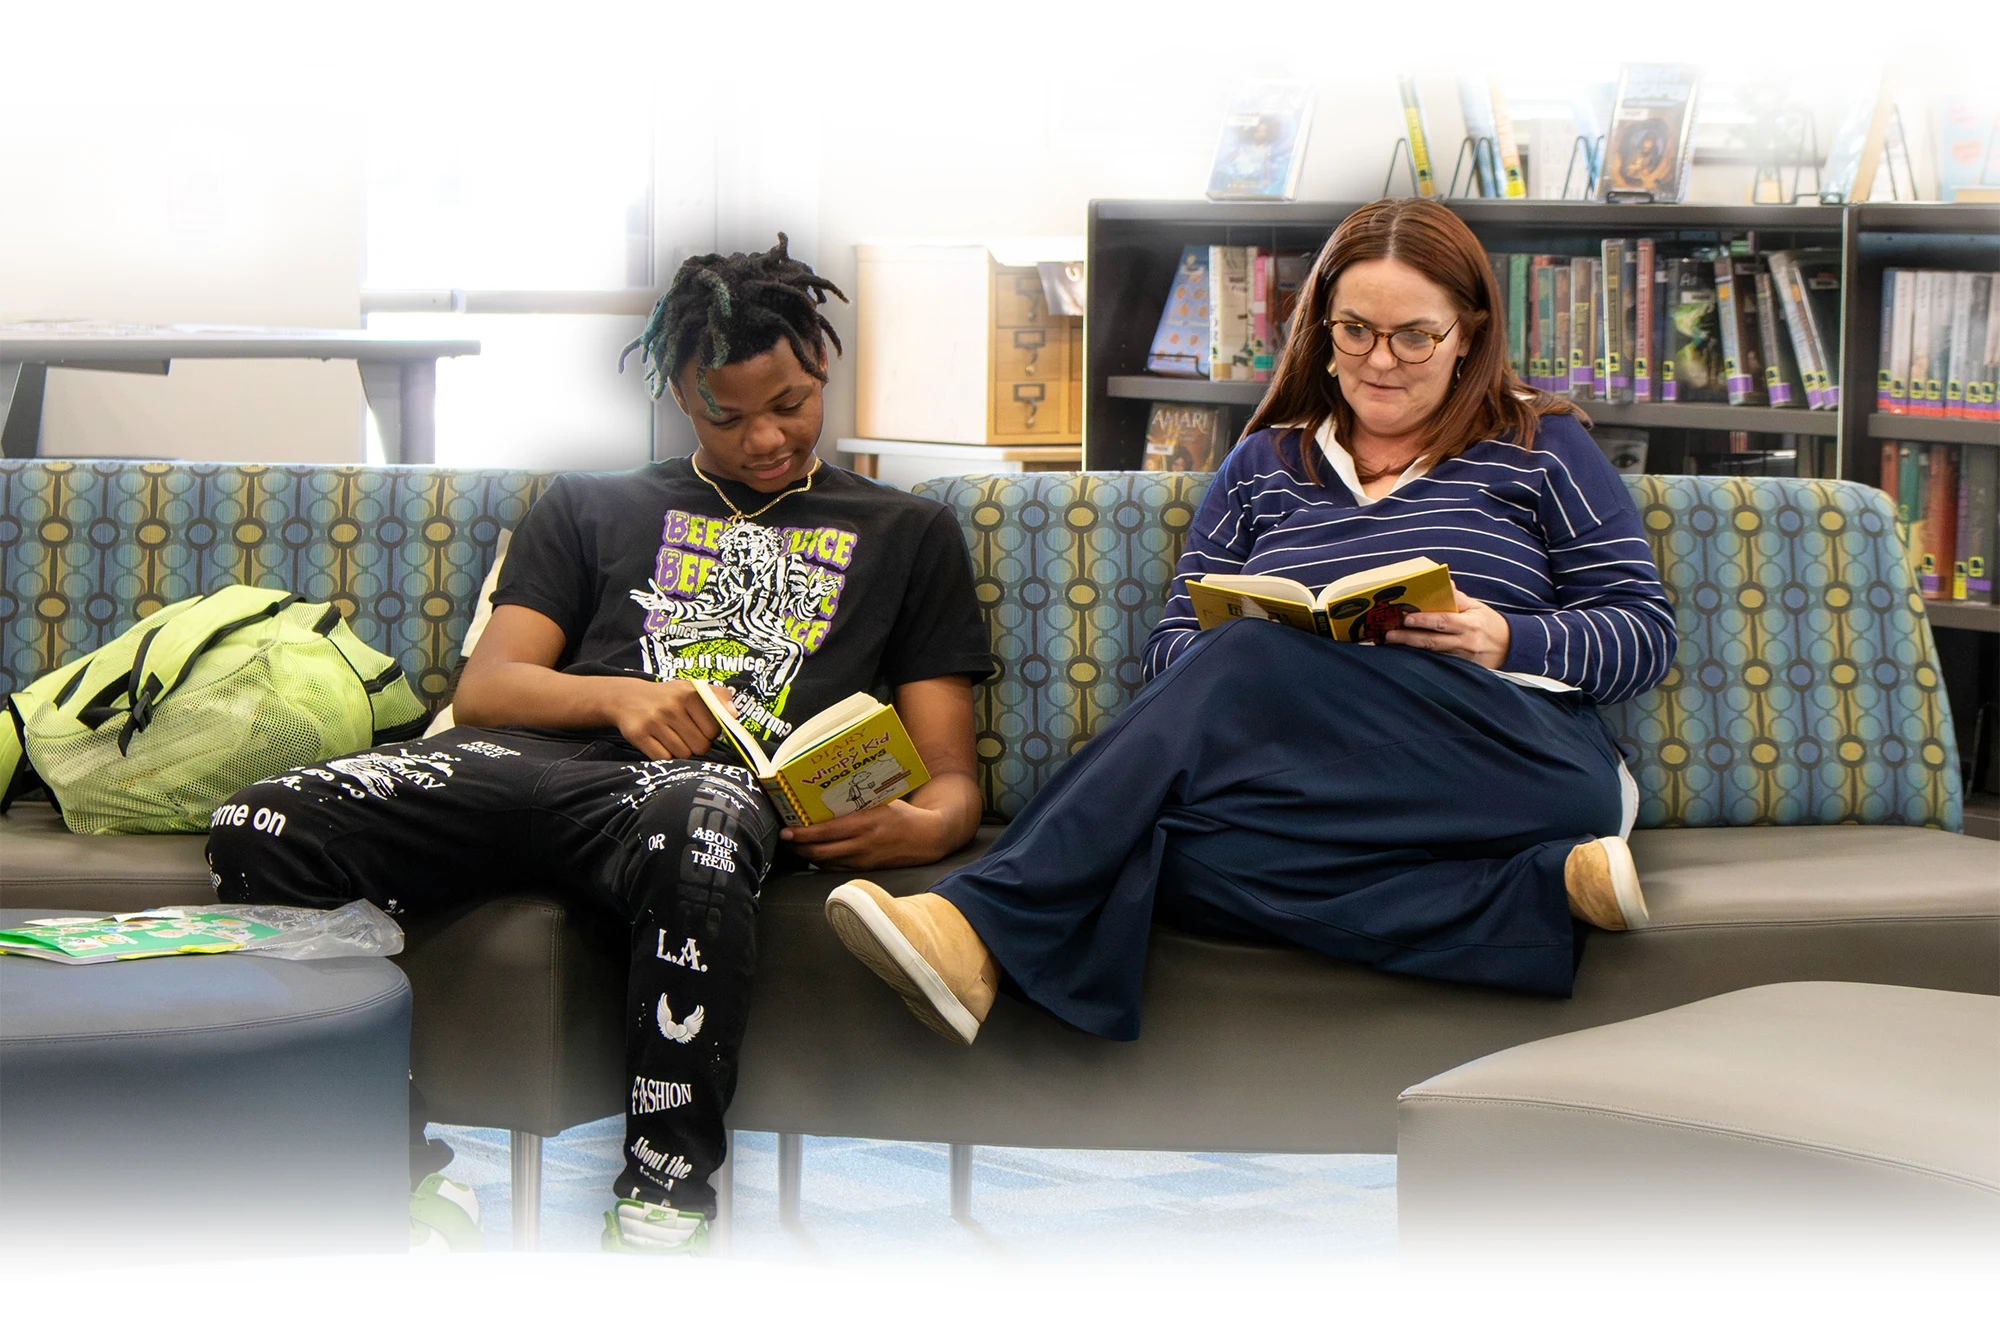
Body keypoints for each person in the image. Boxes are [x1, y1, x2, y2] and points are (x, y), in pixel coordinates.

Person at [205, 235, 993, 1253]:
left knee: (699, 818)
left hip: (707, 795)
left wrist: (919, 829)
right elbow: (488, 689)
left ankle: (662, 1208)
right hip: (532, 768)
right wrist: (621, 697)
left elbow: (950, 780)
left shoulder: (906, 533)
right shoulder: (590, 505)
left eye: (790, 404)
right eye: (728, 413)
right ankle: (391, 1171)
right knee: (259, 823)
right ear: (677, 395)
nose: (765, 438)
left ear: (824, 369)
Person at [825, 198, 1678, 1046]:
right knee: (1165, 845)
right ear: (1322, 328)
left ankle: (976, 920)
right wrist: (1270, 655)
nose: (1381, 360)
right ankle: (1538, 890)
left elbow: (1644, 632)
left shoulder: (1542, 446)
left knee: (1201, 730)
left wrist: (1506, 636)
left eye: (1414, 334)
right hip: (1319, 774)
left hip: (1512, 756)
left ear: (1467, 335)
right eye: (1355, 330)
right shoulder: (1264, 463)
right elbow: (1173, 654)